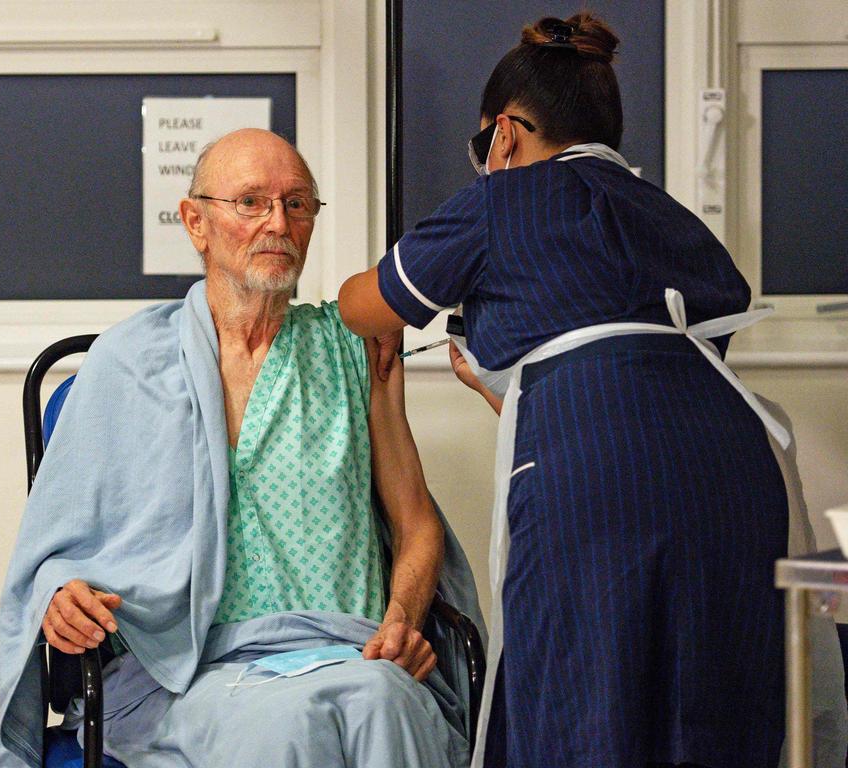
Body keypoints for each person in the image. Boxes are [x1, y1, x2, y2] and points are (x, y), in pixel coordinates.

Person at [338, 13, 792, 768]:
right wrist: (508, 387)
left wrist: (370, 309)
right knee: (708, 697)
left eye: (483, 146)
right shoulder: (674, 219)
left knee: (582, 697)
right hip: (734, 473)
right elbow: (648, 373)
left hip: (598, 481)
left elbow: (367, 303)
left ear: (505, 136)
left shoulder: (500, 202)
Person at [0, 128, 479, 768]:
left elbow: (416, 525)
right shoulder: (126, 363)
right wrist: (59, 596)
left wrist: (403, 621)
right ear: (196, 222)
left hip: (350, 651)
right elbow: (53, 549)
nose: (278, 221)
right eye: (251, 202)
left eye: (297, 204)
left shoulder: (355, 345)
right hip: (184, 670)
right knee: (291, 724)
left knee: (383, 701)